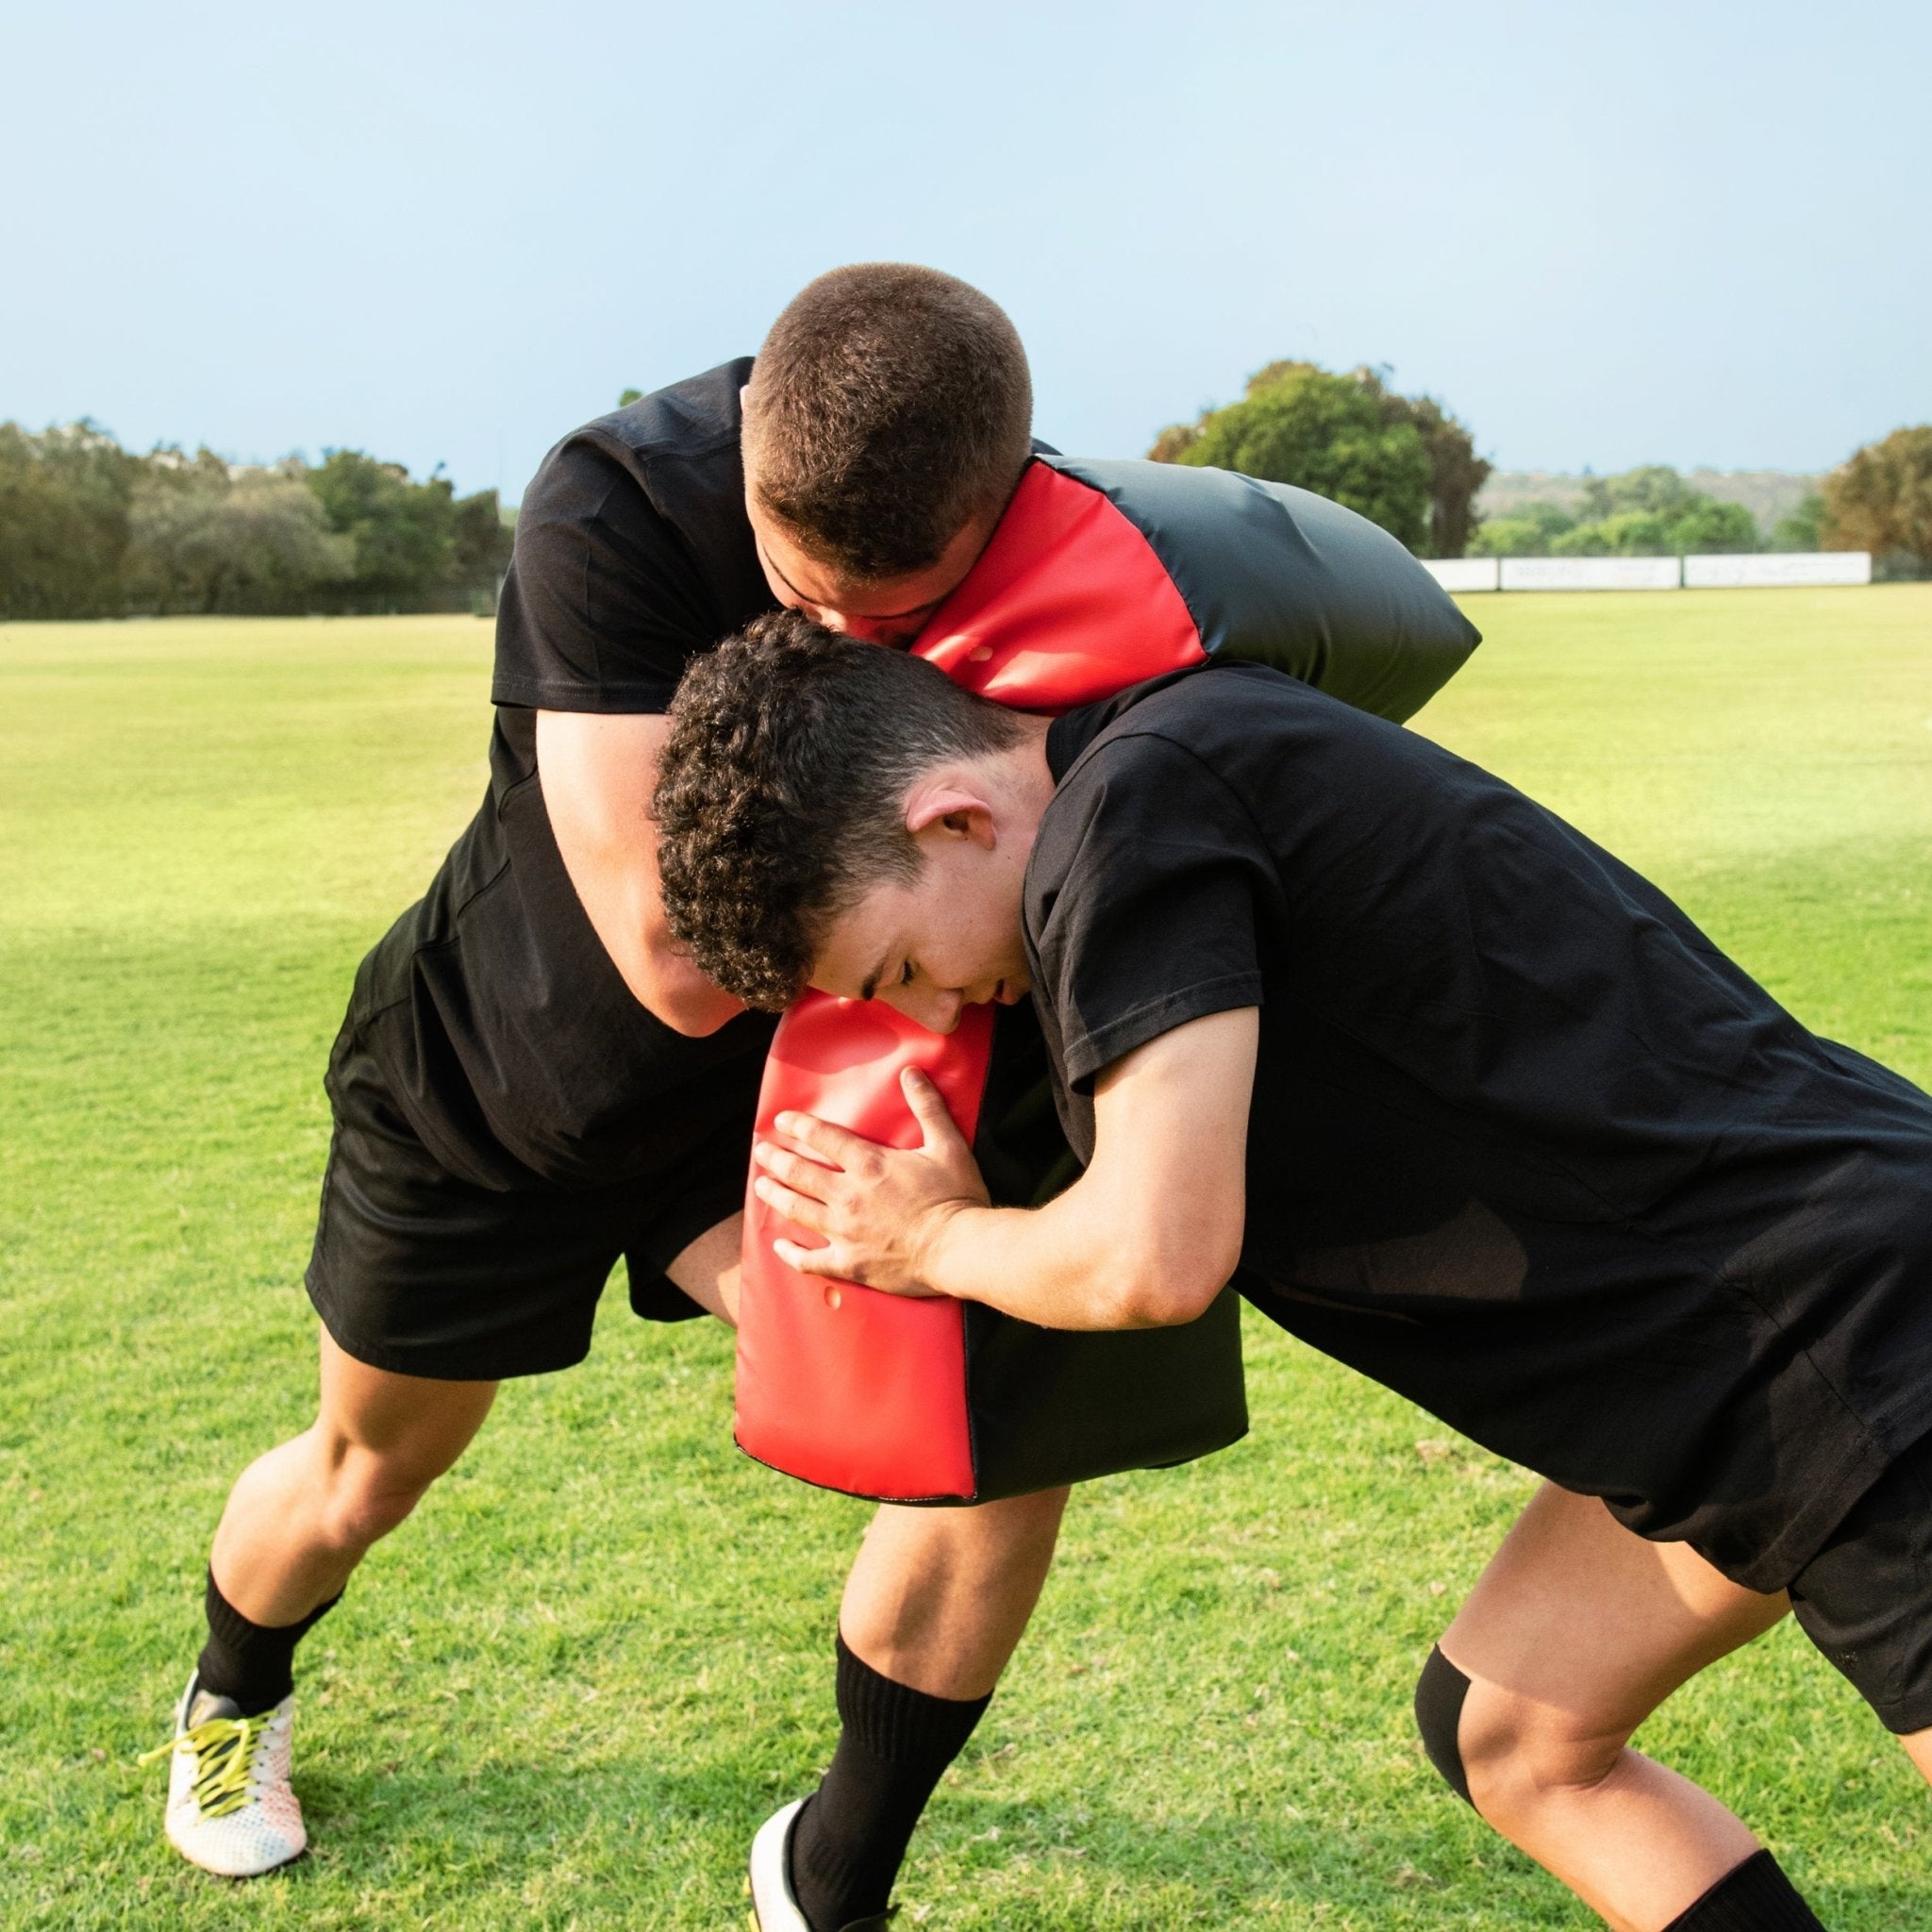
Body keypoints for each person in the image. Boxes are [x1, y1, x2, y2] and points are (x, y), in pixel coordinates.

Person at [156, 260, 1475, 1932]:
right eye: (806, 591)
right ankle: (232, 1695)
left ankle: (832, 1873)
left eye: (900, 609)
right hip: (509, 1081)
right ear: (754, 484)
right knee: (367, 1468)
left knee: (991, 1427)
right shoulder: (620, 504)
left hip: (795, 1122)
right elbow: (674, 962)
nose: (855, 634)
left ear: (990, 507)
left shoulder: (1049, 537)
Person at [652, 614, 1932, 1932]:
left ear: (956, 819)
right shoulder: (1188, 745)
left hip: (1847, 1339)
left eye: (905, 967)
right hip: (1732, 1373)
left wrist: (928, 1241)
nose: (935, 1008)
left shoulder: (1133, 817)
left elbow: (1153, 1258)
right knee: (1513, 1739)